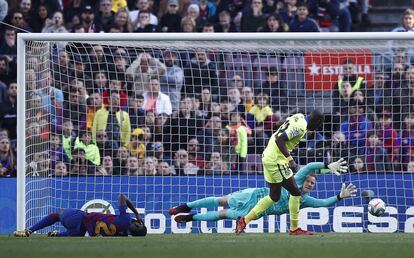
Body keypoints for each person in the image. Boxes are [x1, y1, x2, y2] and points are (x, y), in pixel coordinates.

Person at [170, 160, 354, 223]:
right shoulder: (296, 180)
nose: (311, 184)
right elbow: (309, 167)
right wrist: (327, 166)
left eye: (314, 184)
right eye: (310, 181)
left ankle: (189, 218)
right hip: (255, 195)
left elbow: (322, 203)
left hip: (256, 212)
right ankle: (184, 206)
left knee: (222, 215)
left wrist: (339, 196)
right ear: (304, 180)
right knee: (221, 200)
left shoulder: (304, 200)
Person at [235, 110, 325, 235]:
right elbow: (280, 140)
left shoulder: (298, 117)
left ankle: (244, 221)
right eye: (318, 125)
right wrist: (291, 160)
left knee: (274, 196)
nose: (316, 128)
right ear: (316, 121)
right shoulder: (301, 126)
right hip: (277, 160)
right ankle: (294, 229)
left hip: (268, 156)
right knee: (296, 192)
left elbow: (281, 124)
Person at [14, 194, 147, 237]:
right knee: (75, 234)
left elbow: (122, 196)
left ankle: (29, 230)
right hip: (79, 231)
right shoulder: (123, 235)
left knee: (57, 214)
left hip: (78, 218)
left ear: (138, 223)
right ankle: (56, 234)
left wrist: (136, 213)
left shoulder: (126, 219)